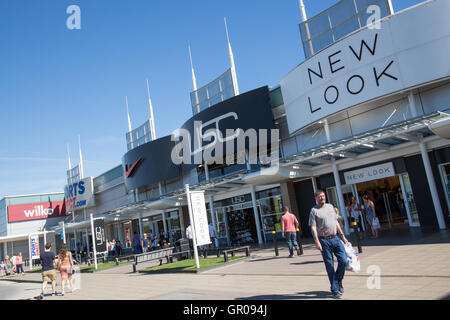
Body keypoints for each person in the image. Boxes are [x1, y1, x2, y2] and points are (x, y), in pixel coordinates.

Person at [309, 189, 348, 299]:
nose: (322, 198)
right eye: (319, 196)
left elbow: (336, 222)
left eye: (323, 196)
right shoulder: (314, 211)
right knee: (329, 265)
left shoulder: (331, 207)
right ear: (316, 198)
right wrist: (316, 241)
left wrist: (343, 236)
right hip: (324, 240)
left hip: (335, 238)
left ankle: (338, 280)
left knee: (343, 261)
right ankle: (335, 289)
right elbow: (313, 227)